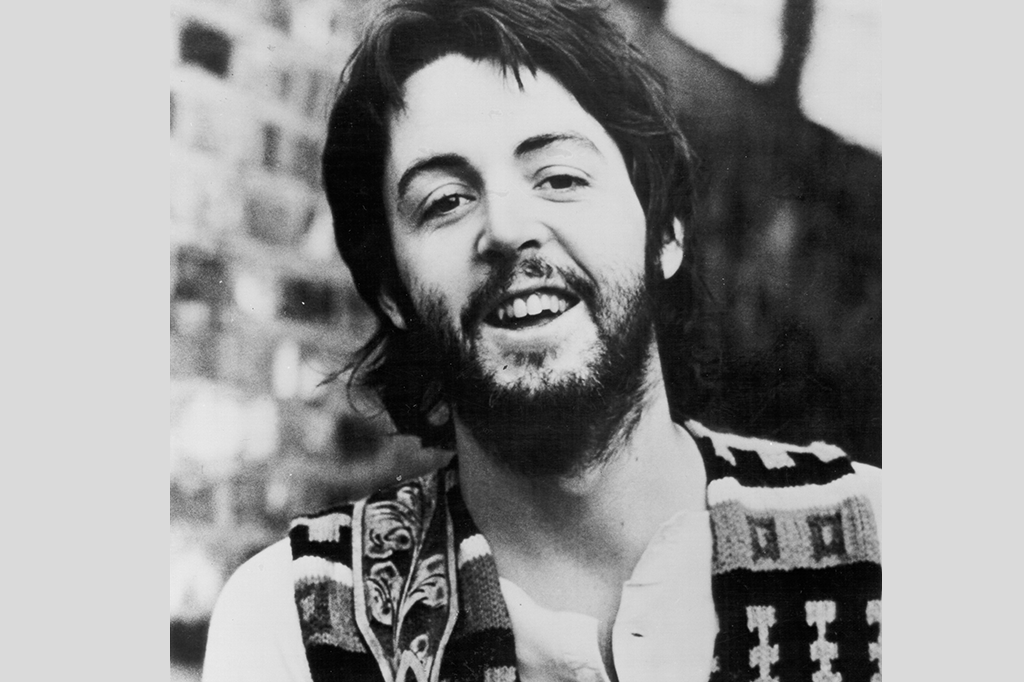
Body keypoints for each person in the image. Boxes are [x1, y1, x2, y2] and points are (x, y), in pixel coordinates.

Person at [202, 1, 882, 680]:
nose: (506, 228)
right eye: (445, 201)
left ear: (665, 232)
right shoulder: (294, 624)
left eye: (560, 178)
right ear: (391, 294)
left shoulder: (883, 545)